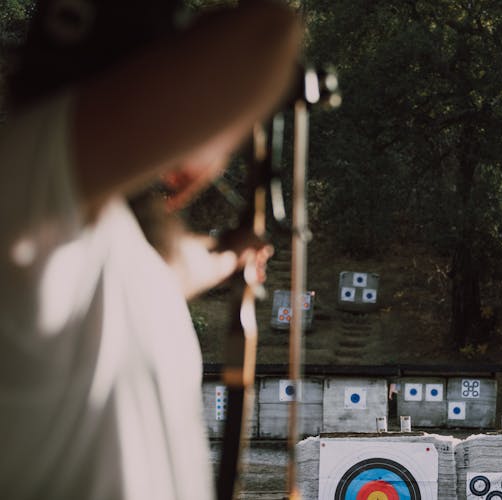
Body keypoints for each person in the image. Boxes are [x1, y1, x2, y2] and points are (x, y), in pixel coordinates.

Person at [0, 0, 301, 499]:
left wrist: (231, 256)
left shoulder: (87, 247)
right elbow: (267, 33)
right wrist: (205, 143)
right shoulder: (23, 182)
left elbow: (170, 270)